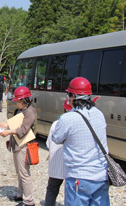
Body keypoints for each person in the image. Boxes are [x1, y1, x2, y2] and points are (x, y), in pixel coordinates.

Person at [52, 77, 110, 206]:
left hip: (79, 175)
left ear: (72, 96)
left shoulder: (68, 118)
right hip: (101, 174)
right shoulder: (99, 114)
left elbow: (56, 138)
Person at [0, 86, 36, 206]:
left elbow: (23, 129)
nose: (17, 103)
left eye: (19, 101)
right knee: (19, 171)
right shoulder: (22, 110)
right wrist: (2, 124)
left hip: (24, 145)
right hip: (17, 144)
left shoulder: (30, 112)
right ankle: (20, 194)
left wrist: (8, 132)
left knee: (24, 173)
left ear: (25, 100)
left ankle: (29, 200)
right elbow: (14, 123)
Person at [44, 120, 66, 206]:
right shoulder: (78, 122)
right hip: (71, 164)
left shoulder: (56, 123)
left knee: (52, 189)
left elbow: (48, 144)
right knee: (71, 191)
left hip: (56, 161)